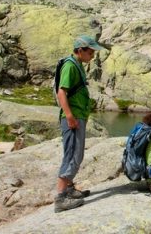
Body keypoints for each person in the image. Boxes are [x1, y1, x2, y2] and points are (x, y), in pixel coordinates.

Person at [53, 35, 105, 213]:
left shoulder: (78, 65)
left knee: (76, 153)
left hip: (77, 116)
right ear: (80, 50)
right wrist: (69, 116)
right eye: (90, 51)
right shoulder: (70, 66)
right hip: (73, 117)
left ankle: (69, 189)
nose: (93, 55)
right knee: (73, 155)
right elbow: (62, 93)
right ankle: (60, 198)